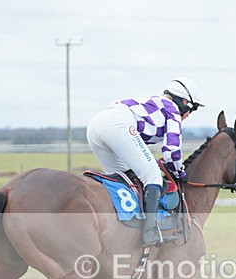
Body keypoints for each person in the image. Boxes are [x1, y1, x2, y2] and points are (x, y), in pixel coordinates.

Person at [86, 77, 204, 246]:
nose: (189, 115)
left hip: (95, 126)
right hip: (117, 125)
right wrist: (180, 172)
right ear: (185, 102)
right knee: (153, 176)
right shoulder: (173, 111)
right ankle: (150, 232)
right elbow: (172, 152)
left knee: (124, 180)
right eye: (192, 109)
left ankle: (121, 229)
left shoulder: (155, 103)